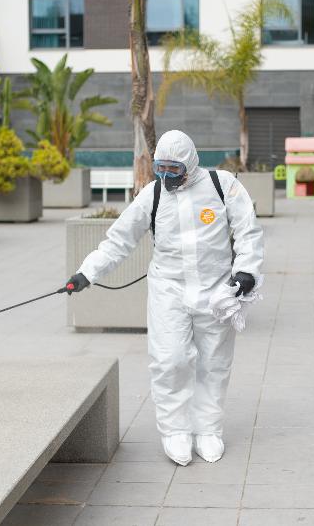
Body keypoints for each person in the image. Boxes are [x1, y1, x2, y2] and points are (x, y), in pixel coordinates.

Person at [64, 130, 264, 466]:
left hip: (216, 291)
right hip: (168, 290)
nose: (166, 176)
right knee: (170, 360)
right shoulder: (152, 195)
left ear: (190, 163)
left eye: (174, 169)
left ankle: (208, 429)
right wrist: (87, 273)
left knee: (214, 363)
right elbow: (119, 239)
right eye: (161, 168)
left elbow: (248, 229)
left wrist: (246, 271)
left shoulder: (222, 185)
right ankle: (175, 430)